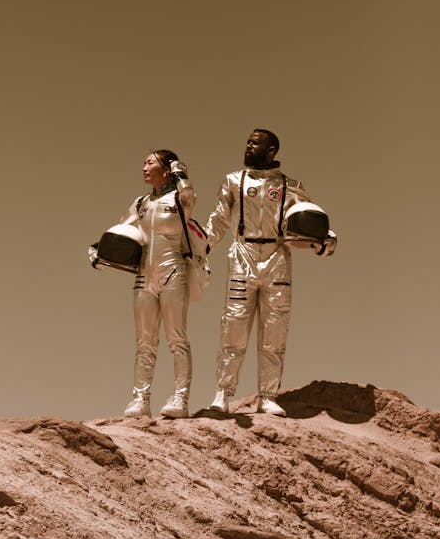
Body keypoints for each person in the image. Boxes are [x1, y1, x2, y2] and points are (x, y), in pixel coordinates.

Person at [205, 129, 336, 417]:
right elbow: (218, 221)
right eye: (248, 142)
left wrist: (324, 240)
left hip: (277, 256)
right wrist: (200, 248)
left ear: (272, 150)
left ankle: (268, 395)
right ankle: (222, 394)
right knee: (234, 325)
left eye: (255, 143)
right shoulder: (233, 181)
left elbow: (307, 220)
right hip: (243, 254)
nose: (249, 146)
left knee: (275, 329)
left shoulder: (290, 186)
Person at [115, 150, 196, 419]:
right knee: (145, 343)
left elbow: (189, 196)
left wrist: (180, 172)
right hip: (143, 276)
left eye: (150, 163)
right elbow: (122, 230)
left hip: (173, 271)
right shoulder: (140, 203)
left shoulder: (179, 198)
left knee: (177, 339)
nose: (144, 167)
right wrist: (100, 250)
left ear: (166, 168)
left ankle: (180, 398)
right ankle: (140, 398)